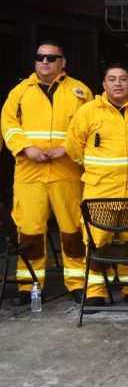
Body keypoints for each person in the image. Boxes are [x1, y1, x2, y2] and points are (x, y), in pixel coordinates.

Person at [1, 42, 93, 302]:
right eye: (40, 57)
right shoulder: (19, 92)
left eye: (51, 58)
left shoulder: (80, 91)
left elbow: (89, 126)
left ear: (63, 62)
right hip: (30, 172)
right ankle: (28, 285)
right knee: (29, 232)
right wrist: (26, 148)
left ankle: (76, 283)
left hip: (67, 170)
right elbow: (7, 125)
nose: (45, 62)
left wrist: (66, 148)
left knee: (73, 230)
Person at [63, 64, 128, 307]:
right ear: (103, 85)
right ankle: (95, 290)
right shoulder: (88, 112)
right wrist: (97, 168)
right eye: (112, 79)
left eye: (123, 79)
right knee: (95, 240)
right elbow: (73, 147)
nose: (118, 83)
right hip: (100, 189)